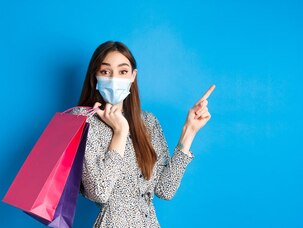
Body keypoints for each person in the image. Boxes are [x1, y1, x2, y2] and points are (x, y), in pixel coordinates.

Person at [68, 41, 214, 227]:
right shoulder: (83, 120)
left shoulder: (147, 122)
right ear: (95, 76)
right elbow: (99, 191)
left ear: (133, 76)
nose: (114, 79)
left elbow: (165, 190)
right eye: (105, 72)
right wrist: (120, 132)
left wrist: (189, 130)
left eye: (122, 72)